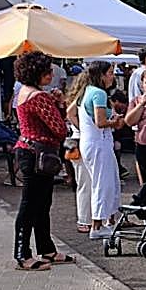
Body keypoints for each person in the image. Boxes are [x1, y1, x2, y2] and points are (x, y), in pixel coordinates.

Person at [11, 51, 70, 271]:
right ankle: (22, 254)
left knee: (40, 204)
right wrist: (60, 104)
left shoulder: (23, 93)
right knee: (32, 205)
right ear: (38, 73)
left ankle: (47, 249)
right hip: (39, 154)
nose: (51, 73)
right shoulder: (39, 97)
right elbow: (60, 129)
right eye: (47, 71)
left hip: (28, 151)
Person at [76, 62, 124, 240]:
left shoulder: (87, 91)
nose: (113, 76)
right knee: (103, 184)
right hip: (98, 143)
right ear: (101, 75)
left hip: (92, 142)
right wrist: (116, 121)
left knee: (108, 181)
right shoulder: (98, 93)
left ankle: (107, 221)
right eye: (110, 73)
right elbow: (101, 122)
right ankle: (97, 225)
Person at [63, 72, 91, 232]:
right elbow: (70, 113)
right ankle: (84, 219)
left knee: (84, 181)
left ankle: (86, 218)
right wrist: (84, 129)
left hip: (77, 141)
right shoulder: (83, 96)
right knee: (84, 182)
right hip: (80, 142)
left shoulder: (79, 96)